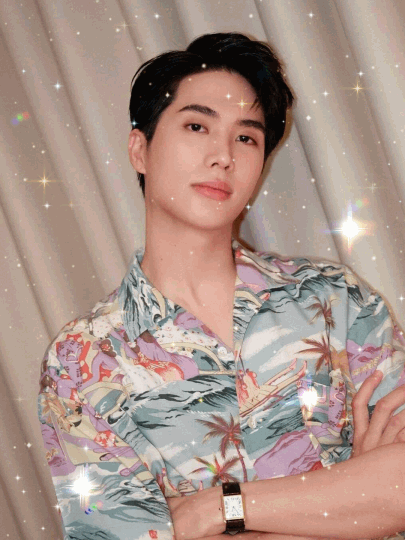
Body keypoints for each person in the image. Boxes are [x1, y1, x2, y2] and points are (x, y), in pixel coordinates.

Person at [38, 32, 405, 540]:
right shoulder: (81, 362)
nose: (223, 156)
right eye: (197, 126)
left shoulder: (336, 300)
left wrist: (213, 509)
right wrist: (352, 502)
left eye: (246, 137)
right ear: (140, 149)